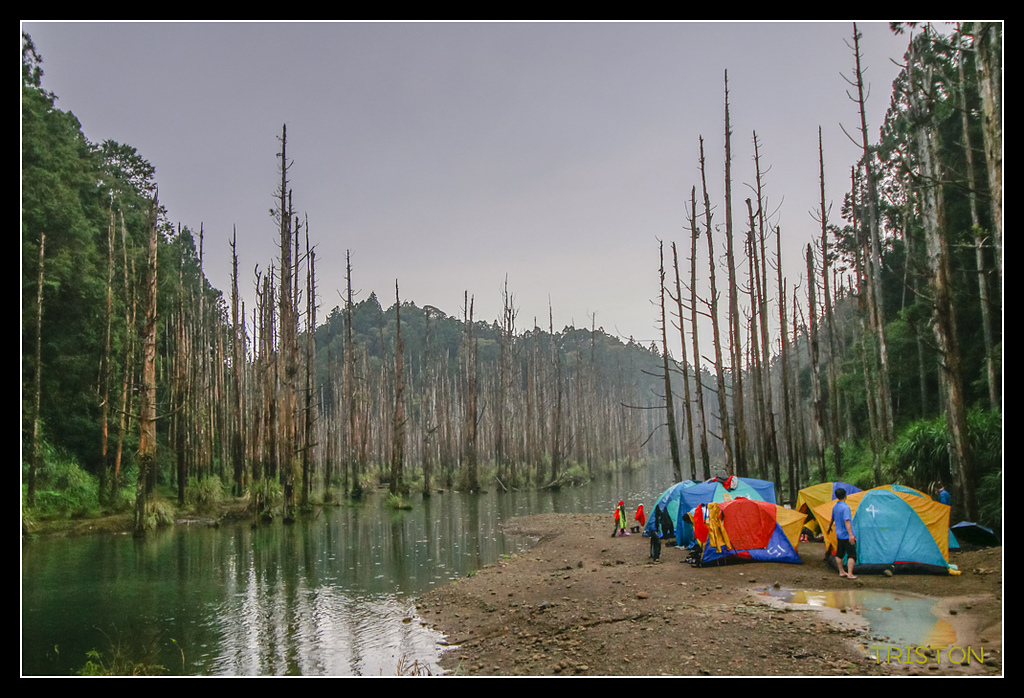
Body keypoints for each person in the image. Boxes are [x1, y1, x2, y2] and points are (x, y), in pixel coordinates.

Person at [830, 488, 857, 579]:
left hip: (839, 535)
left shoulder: (835, 506)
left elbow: (832, 518)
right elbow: (847, 521)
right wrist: (851, 534)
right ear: (845, 495)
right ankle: (850, 573)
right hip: (846, 535)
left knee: (839, 554)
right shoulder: (846, 508)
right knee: (852, 554)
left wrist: (829, 528)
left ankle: (841, 571)